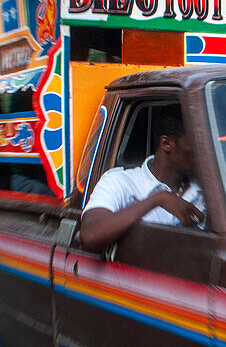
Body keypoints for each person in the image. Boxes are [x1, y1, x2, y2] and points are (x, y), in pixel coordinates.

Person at [81, 106, 205, 253]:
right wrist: (158, 200)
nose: (205, 150)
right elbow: (89, 237)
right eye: (196, 143)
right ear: (166, 144)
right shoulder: (119, 182)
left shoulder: (207, 189)